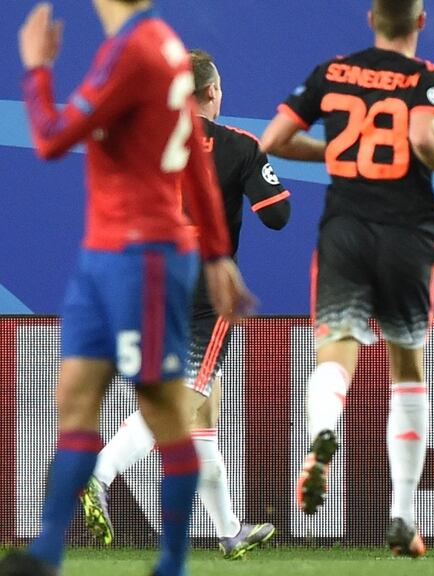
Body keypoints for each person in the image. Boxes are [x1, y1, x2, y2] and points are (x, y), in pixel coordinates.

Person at [2, 3, 253, 576]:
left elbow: (50, 138)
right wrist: (217, 251)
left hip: (144, 255)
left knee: (164, 404)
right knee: (81, 396)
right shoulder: (162, 48)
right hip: (108, 250)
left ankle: (169, 559)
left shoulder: (134, 53)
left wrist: (37, 69)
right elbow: (191, 153)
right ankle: (47, 551)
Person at [259, 0, 434, 557]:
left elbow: (274, 140)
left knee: (335, 351)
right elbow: (425, 136)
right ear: (421, 22)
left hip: (345, 230)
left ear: (370, 17)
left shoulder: (332, 72)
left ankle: (320, 436)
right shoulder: (432, 78)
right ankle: (403, 512)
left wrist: (336, 151)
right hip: (408, 234)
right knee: (407, 368)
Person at [78, 48, 288, 561]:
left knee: (200, 418)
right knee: (180, 402)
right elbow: (277, 216)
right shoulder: (239, 146)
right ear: (212, 92)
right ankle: (98, 471)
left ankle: (229, 530)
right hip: (202, 298)